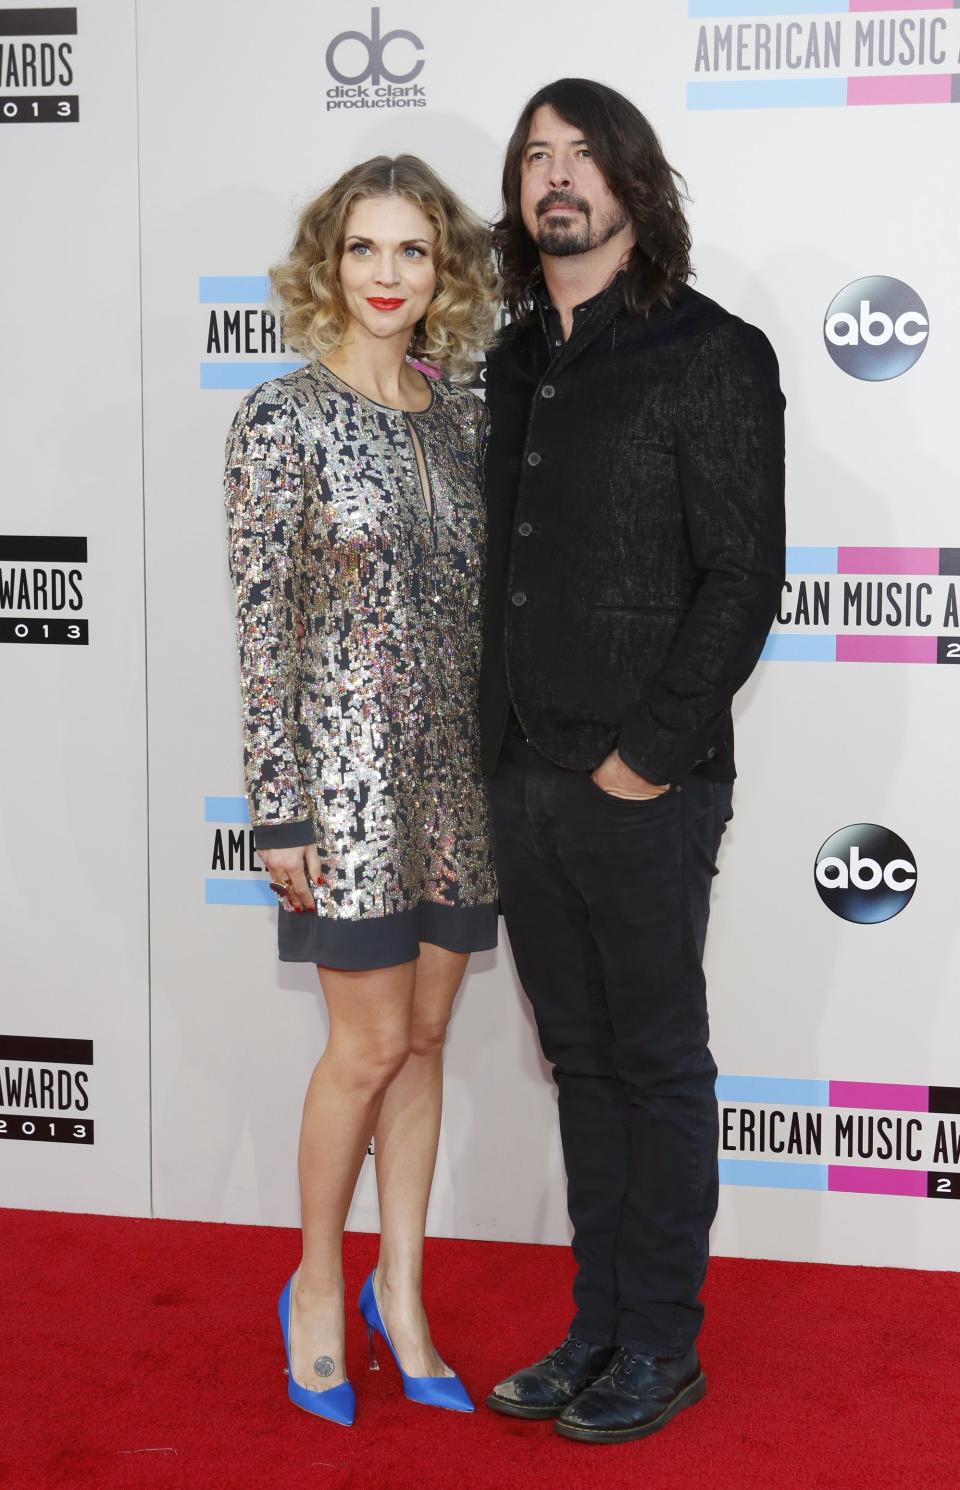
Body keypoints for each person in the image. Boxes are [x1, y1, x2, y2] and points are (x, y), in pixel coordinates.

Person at [480, 79, 785, 1445]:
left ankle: (664, 1340)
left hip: (641, 784)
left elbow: (741, 575)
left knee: (657, 1063)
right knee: (584, 1066)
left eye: (584, 154)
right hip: (522, 776)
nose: (558, 176)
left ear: (633, 186)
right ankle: (597, 1328)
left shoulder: (711, 352)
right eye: (536, 155)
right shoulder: (507, 359)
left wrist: (645, 760)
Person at [224, 155, 499, 1426]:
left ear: (444, 271)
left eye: (414, 253)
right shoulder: (280, 416)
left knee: (430, 1040)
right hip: (343, 786)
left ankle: (406, 1289)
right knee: (369, 1044)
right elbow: (260, 626)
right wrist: (277, 804)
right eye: (365, 251)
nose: (388, 277)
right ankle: (318, 1289)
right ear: (328, 264)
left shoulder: (465, 416)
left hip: (459, 781)